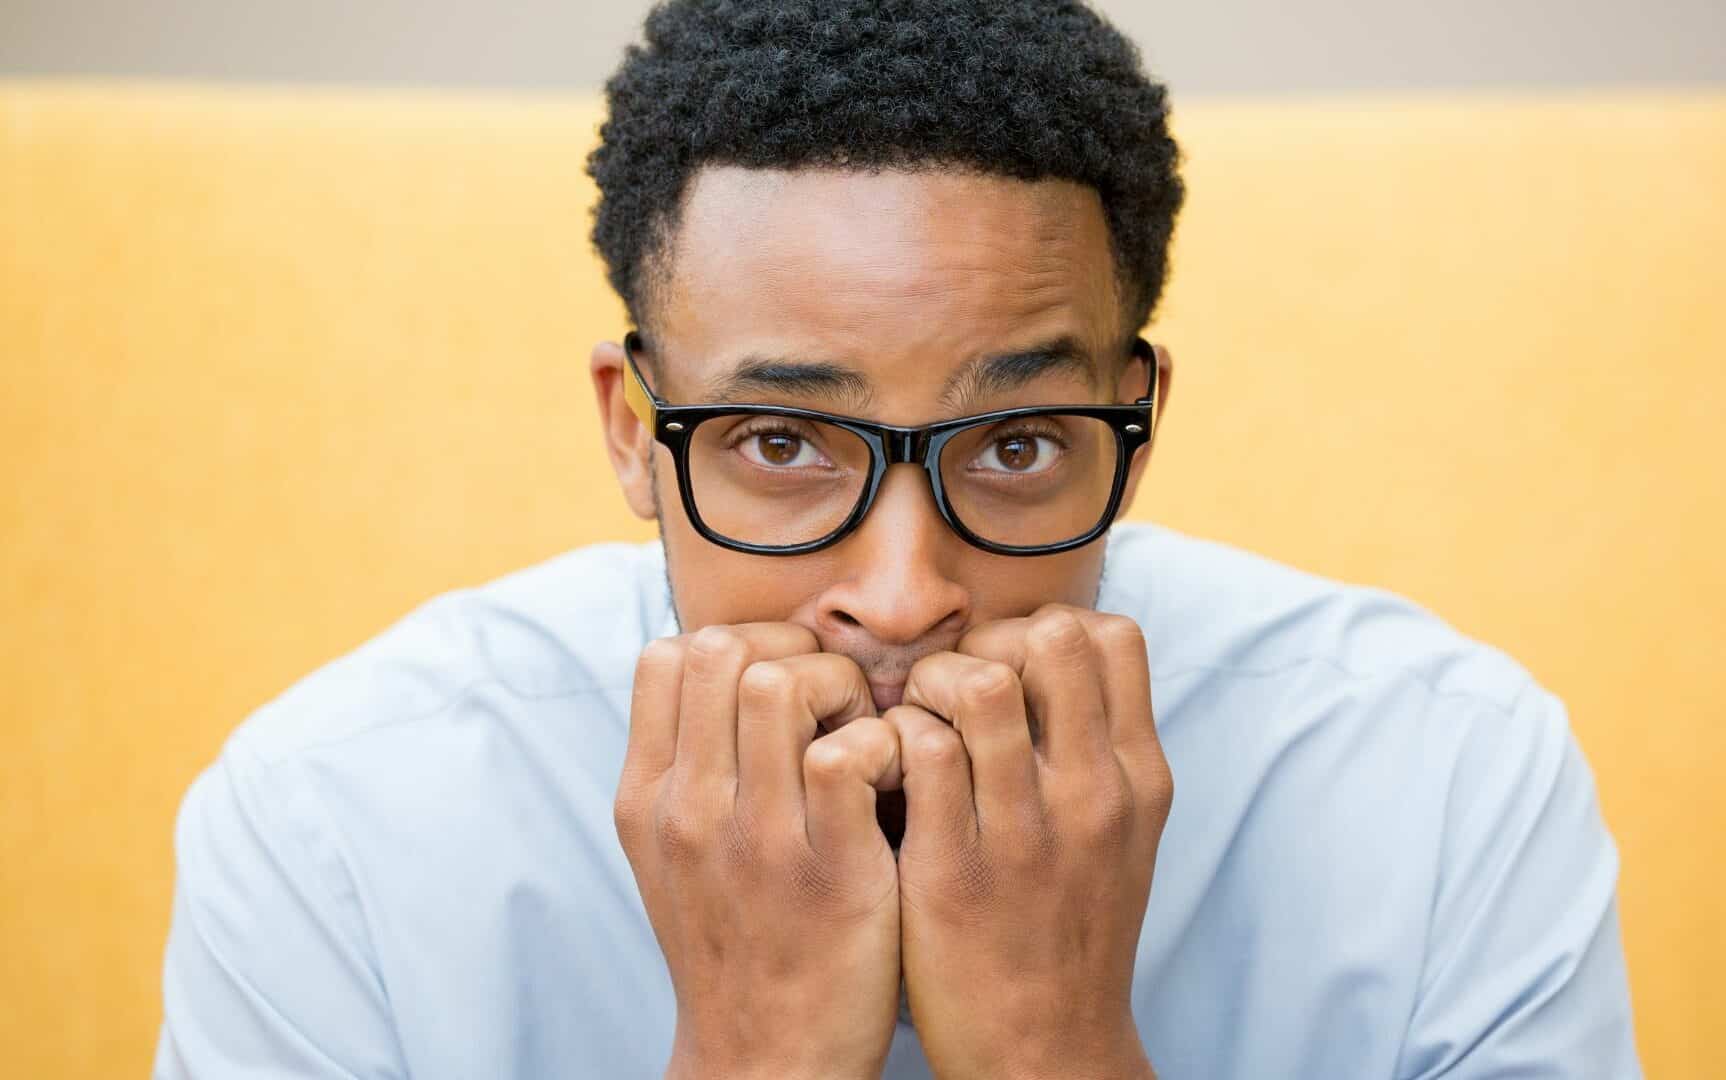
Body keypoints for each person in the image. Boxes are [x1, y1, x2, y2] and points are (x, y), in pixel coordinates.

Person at [154, 1, 1641, 1076]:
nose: (901, 594)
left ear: (1137, 421)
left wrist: (1052, 1049)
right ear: (632, 431)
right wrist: (753, 1054)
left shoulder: (1442, 773)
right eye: (784, 446)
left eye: (1012, 446)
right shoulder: (332, 818)